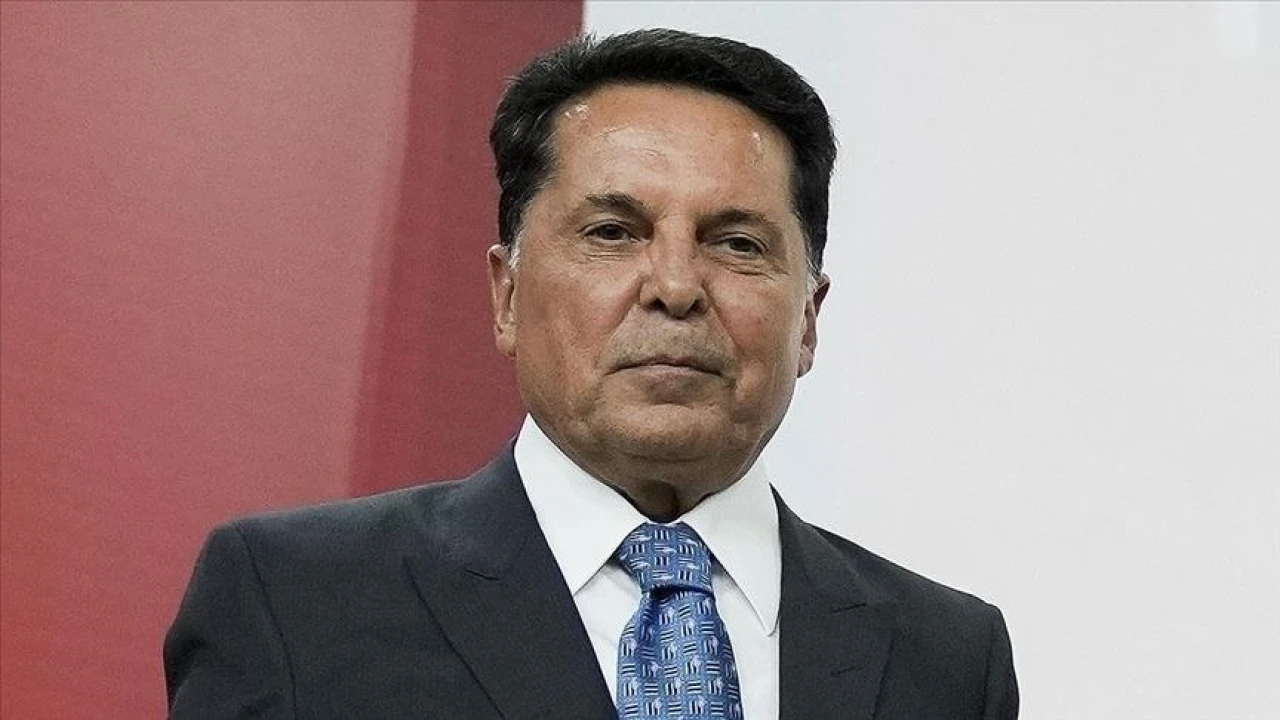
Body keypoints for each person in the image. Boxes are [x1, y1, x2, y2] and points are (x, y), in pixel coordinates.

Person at [165, 29, 1018, 719]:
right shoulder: (298, 602)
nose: (676, 287)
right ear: (506, 294)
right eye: (613, 232)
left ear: (808, 319)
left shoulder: (945, 657)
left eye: (736, 243)